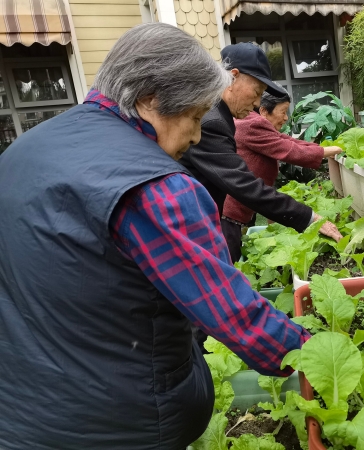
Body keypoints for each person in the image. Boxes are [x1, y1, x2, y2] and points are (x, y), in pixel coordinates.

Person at [0, 23, 310, 450]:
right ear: (150, 99)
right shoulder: (156, 187)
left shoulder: (23, 150)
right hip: (118, 426)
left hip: (20, 415)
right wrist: (315, 353)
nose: (198, 135)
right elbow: (233, 314)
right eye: (195, 117)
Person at [179, 43, 342, 262]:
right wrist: (309, 217)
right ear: (233, 77)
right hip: (192, 230)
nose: (257, 103)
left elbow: (284, 141)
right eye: (257, 93)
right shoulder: (212, 122)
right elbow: (244, 185)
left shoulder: (218, 114)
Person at [222, 88, 343, 259]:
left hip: (242, 205)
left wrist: (324, 150)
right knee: (230, 258)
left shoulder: (253, 121)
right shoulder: (252, 124)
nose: (286, 117)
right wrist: (334, 150)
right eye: (283, 112)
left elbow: (288, 141)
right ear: (264, 111)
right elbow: (289, 150)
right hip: (231, 212)